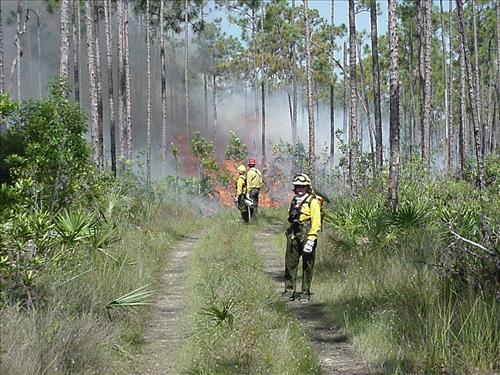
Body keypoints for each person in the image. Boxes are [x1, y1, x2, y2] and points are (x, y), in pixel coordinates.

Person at [283, 173, 321, 303]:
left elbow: (316, 221)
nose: (300, 189)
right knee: (290, 263)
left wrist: (311, 239)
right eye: (298, 186)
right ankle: (289, 290)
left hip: (307, 234)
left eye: (303, 187)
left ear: (307, 187)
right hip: (294, 233)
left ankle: (305, 292)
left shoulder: (313, 201)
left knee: (307, 265)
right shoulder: (294, 200)